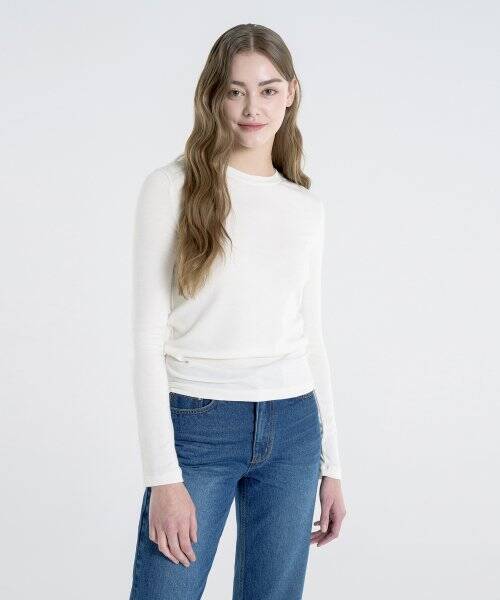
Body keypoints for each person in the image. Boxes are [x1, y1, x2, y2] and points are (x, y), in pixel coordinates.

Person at [129, 23, 347, 600]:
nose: (253, 108)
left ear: (291, 93)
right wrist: (163, 478)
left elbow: (312, 337)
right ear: (214, 96)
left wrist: (333, 464)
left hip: (294, 428)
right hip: (199, 424)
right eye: (235, 91)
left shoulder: (304, 207)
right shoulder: (171, 188)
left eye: (268, 90)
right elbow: (147, 339)